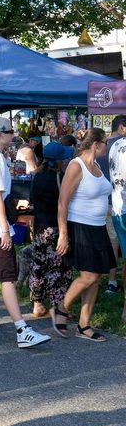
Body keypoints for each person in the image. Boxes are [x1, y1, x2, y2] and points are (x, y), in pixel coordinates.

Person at [0, 117, 50, 348]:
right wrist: (5, 229)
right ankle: (21, 329)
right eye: (10, 131)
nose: (14, 136)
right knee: (8, 277)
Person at [55, 128, 114, 341]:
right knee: (88, 275)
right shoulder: (76, 166)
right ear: (96, 144)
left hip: (97, 227)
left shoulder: (96, 165)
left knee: (96, 277)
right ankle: (62, 307)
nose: (107, 146)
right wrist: (63, 234)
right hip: (80, 226)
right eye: (106, 142)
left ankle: (84, 325)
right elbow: (62, 202)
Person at [28, 141, 75, 336]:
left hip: (40, 227)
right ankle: (59, 306)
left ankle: (38, 304)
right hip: (56, 228)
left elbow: (32, 201)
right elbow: (64, 203)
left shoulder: (36, 176)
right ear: (58, 160)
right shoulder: (60, 177)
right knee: (59, 267)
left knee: (39, 265)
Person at [98, 115, 126, 294]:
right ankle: (115, 282)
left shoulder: (104, 146)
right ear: (122, 127)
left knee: (113, 243)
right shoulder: (120, 145)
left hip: (108, 201)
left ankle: (112, 280)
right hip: (118, 201)